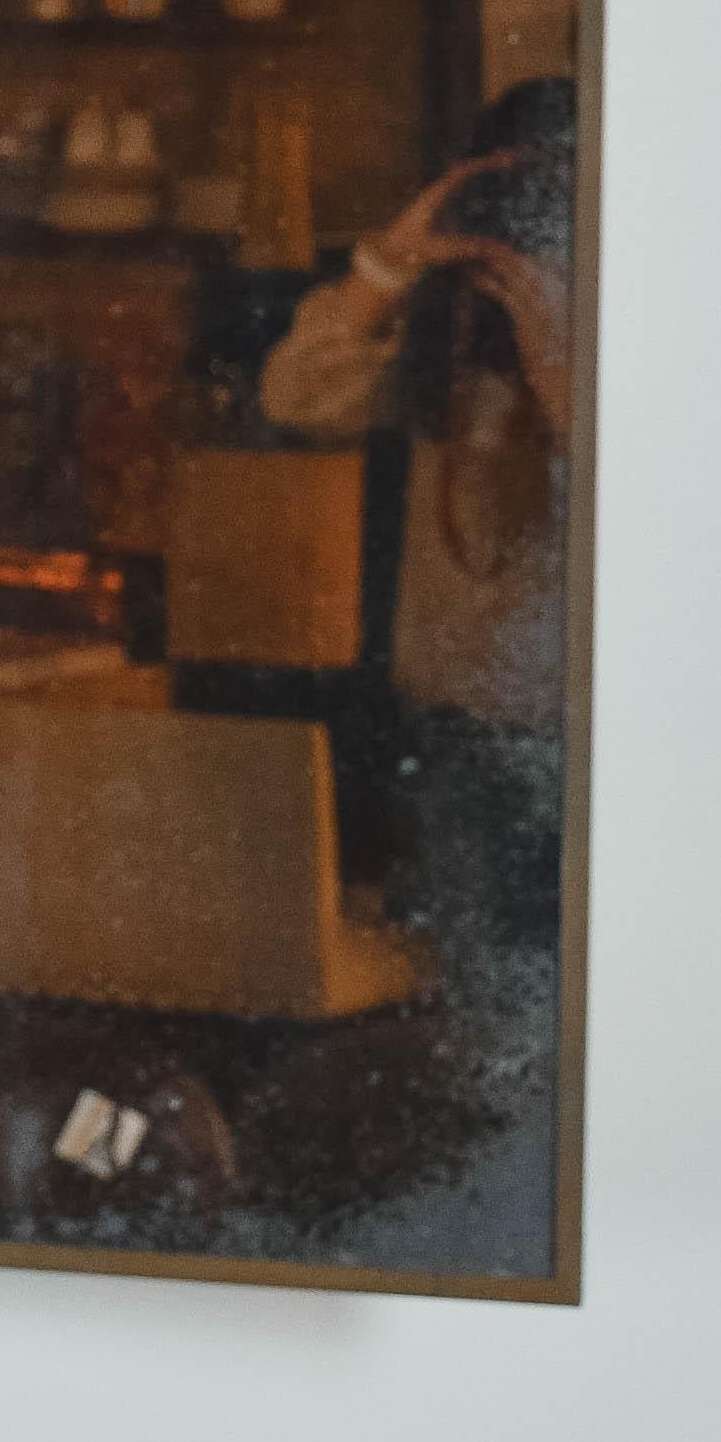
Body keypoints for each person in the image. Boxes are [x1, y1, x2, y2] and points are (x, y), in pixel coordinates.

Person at [257, 75, 572, 1006]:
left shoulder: (640, 337)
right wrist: (392, 260)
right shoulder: (454, 346)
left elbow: (647, 498)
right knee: (473, 1017)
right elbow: (293, 397)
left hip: (581, 745)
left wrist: (557, 347)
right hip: (454, 741)